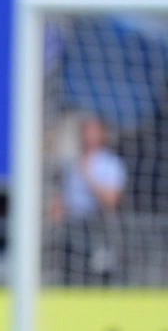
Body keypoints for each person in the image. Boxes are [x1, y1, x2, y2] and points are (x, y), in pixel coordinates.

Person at [53, 114, 127, 285]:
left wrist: (88, 175)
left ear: (102, 133)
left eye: (93, 130)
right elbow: (62, 196)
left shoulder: (111, 164)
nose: (88, 134)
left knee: (98, 270)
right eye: (86, 130)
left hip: (98, 226)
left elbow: (111, 201)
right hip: (71, 225)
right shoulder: (70, 164)